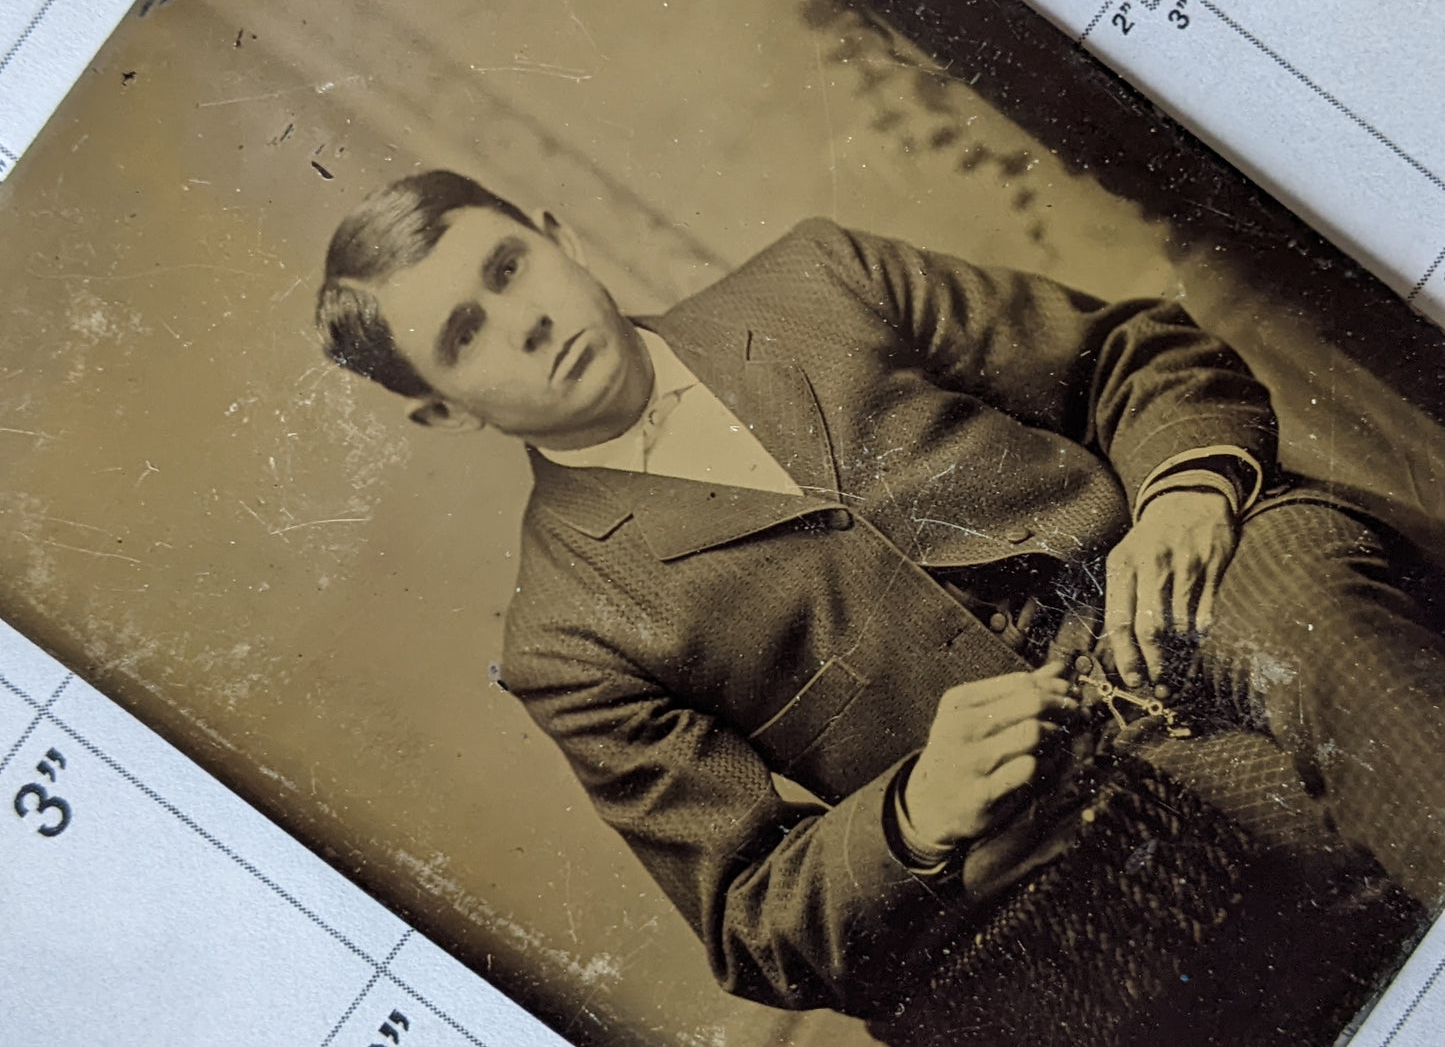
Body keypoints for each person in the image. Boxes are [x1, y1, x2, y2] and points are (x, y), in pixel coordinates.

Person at [313, 170, 1443, 1044]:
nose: (518, 321)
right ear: (439, 413)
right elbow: (752, 917)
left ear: (554, 238)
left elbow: (1125, 358)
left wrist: (1181, 495)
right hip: (1059, 829)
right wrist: (908, 813)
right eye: (460, 334)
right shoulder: (564, 634)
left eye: (507, 268)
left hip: (1198, 590)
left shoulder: (812, 278)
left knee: (1304, 602)